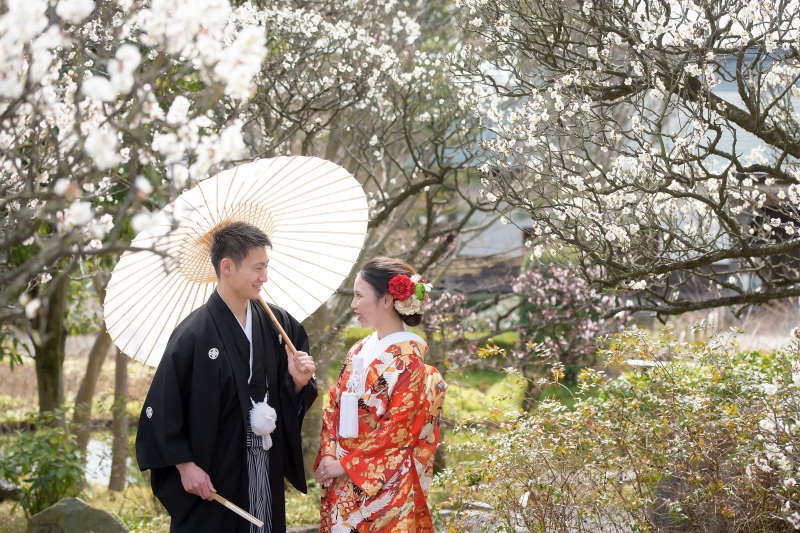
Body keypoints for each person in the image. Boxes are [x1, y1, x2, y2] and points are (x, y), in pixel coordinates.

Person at [136, 221, 318, 532]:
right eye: (257, 268)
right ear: (227, 266)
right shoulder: (193, 333)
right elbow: (162, 408)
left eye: (266, 267)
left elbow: (288, 395)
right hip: (216, 467)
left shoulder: (279, 324)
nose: (265, 277)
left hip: (264, 460)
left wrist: (297, 383)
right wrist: (185, 466)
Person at [314, 256, 446, 532]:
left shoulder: (409, 361)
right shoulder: (358, 350)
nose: (353, 304)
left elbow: (397, 431)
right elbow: (333, 405)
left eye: (359, 296)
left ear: (386, 301)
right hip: (341, 477)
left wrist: (346, 465)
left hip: (385, 486)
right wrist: (328, 454)